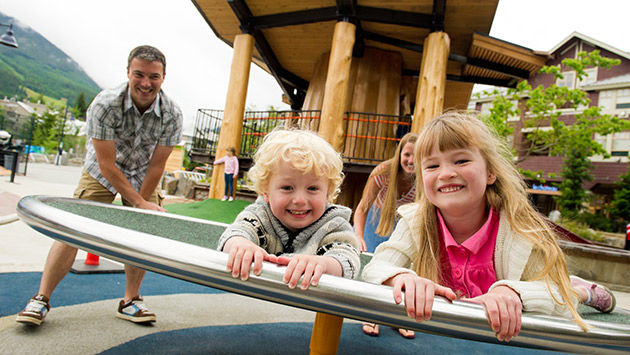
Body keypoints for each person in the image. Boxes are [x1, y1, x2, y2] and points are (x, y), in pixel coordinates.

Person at [362, 112, 615, 342]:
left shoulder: (519, 228)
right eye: (432, 166)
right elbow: (376, 267)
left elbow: (555, 294)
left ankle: (584, 291)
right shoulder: (415, 221)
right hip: (450, 335)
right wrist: (401, 279)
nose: (446, 173)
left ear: (491, 172)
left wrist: (512, 292)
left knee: (568, 291)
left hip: (499, 336)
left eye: (461, 161)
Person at [16, 45, 183, 326]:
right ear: (127, 73)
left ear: (163, 77)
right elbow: (107, 165)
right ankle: (40, 299)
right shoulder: (105, 104)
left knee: (144, 231)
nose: (145, 83)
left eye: (153, 76)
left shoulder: (172, 114)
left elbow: (157, 166)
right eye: (138, 74)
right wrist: (138, 202)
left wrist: (140, 206)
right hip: (101, 172)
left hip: (143, 173)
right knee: (72, 229)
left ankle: (130, 300)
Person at [217, 129, 360, 290]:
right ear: (266, 191)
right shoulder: (259, 215)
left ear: (328, 193)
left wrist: (324, 264)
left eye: (312, 188)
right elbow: (237, 231)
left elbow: (348, 258)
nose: (299, 200)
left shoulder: (333, 224)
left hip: (309, 309)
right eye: (287, 187)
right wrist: (240, 244)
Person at [354, 132, 418, 338]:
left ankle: (398, 318)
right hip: (377, 220)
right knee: (375, 268)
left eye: (416, 156)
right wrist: (359, 235)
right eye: (407, 154)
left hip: (403, 224)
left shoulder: (425, 178)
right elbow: (362, 208)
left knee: (402, 270)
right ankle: (371, 315)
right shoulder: (382, 172)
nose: (410, 160)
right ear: (400, 154)